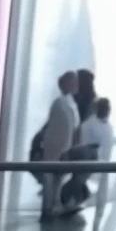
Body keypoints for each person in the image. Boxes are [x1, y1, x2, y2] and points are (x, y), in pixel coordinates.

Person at [39, 71, 80, 219]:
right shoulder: (62, 103)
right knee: (52, 179)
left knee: (55, 179)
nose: (76, 85)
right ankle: (49, 207)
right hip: (57, 147)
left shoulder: (66, 103)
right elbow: (63, 128)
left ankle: (52, 206)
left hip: (60, 147)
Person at [77, 97, 114, 163]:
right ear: (98, 108)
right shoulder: (87, 126)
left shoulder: (109, 127)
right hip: (91, 166)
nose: (107, 110)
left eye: (107, 108)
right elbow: (84, 147)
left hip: (106, 165)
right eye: (103, 108)